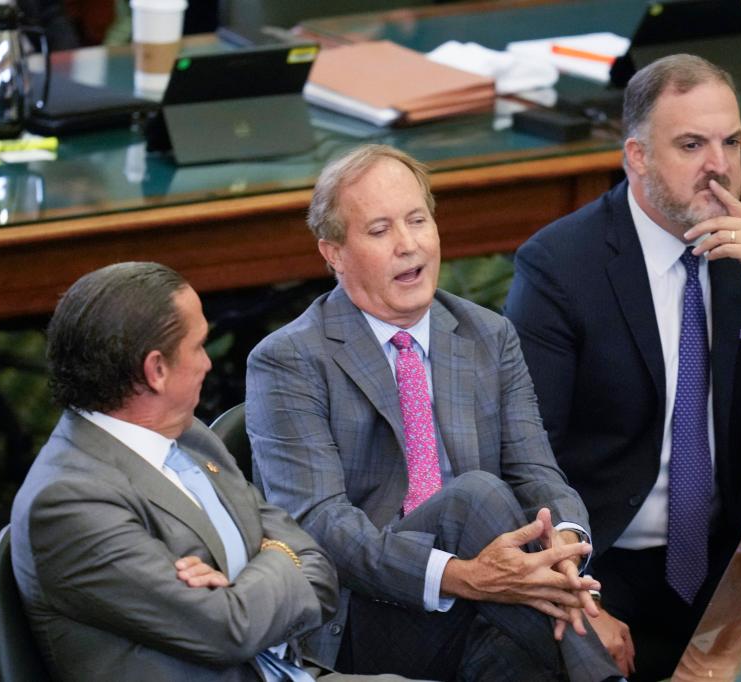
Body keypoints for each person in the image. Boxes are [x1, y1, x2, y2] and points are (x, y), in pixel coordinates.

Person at [504, 54, 741, 681]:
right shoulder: (560, 268)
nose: (718, 166)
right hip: (600, 559)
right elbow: (525, 457)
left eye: (731, 142)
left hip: (726, 559)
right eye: (692, 144)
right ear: (637, 156)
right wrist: (576, 592)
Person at [246, 144, 622, 682]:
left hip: (499, 601)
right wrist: (465, 576)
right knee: (477, 497)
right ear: (333, 253)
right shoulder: (289, 360)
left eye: (418, 220)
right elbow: (321, 527)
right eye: (379, 231)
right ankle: (601, 672)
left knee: (510, 652)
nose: (408, 244)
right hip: (360, 617)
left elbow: (537, 473)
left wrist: (561, 547)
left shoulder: (487, 335)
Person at [11, 262, 390, 680]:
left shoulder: (189, 434)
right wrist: (275, 559)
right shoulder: (69, 501)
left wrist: (243, 582)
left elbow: (317, 565)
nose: (208, 364)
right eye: (199, 346)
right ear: (156, 370)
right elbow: (231, 629)